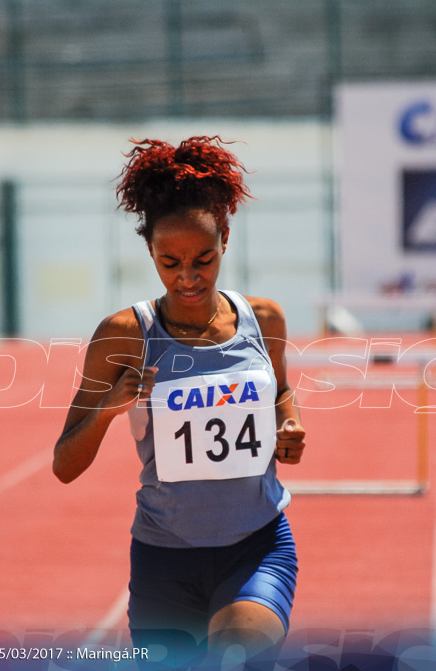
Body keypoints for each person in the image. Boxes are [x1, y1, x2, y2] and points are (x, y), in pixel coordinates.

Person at [52, 136, 306, 668]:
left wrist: (289, 424)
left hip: (256, 546)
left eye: (203, 260)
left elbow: (280, 390)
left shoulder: (265, 321)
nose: (188, 278)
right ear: (150, 252)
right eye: (170, 263)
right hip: (163, 560)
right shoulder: (124, 336)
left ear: (226, 240)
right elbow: (64, 465)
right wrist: (107, 410)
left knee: (239, 652)